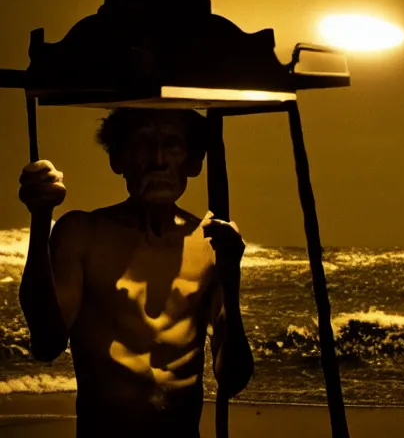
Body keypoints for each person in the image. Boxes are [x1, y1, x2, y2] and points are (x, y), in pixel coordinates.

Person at [17, 108, 254, 437]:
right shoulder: (83, 234)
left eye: (172, 146)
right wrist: (41, 216)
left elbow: (232, 378)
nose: (158, 160)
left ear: (194, 162)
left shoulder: (212, 241)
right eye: (143, 144)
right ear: (118, 158)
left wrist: (231, 277)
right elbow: (46, 343)